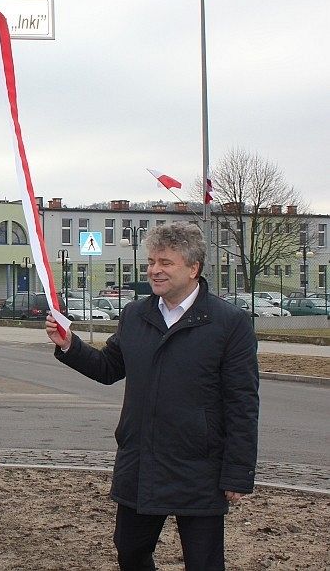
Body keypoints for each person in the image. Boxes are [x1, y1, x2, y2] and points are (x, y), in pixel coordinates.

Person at [45, 222, 259, 571]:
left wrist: (237, 472)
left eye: (166, 262)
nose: (155, 270)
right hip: (141, 463)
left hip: (200, 468)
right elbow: (108, 368)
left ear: (194, 268)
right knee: (129, 551)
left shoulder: (229, 323)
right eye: (151, 262)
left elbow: (243, 403)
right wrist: (70, 344)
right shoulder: (135, 314)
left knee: (204, 562)